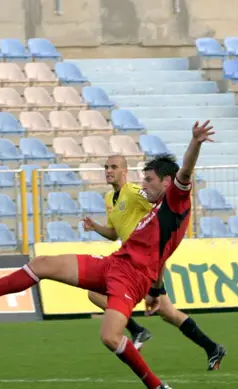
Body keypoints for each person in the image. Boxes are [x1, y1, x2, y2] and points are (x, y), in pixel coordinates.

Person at [0, 121, 215, 389]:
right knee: (42, 264)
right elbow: (160, 255)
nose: (143, 184)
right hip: (114, 264)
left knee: (110, 337)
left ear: (167, 183)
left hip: (131, 278)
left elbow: (185, 170)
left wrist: (195, 142)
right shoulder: (154, 208)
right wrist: (157, 291)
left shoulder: (176, 200)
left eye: (148, 180)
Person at [82, 155, 227, 371]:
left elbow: (160, 207)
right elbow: (113, 233)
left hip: (146, 261)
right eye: (106, 167)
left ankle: (137, 330)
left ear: (125, 171)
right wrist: (96, 227)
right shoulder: (109, 198)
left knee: (96, 292)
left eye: (113, 167)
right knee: (168, 313)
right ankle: (211, 347)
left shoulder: (135, 192)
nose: (108, 171)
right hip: (130, 262)